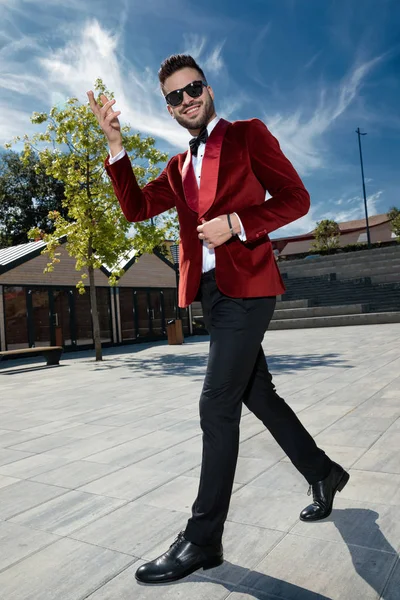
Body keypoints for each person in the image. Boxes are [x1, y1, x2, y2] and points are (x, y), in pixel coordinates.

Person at [87, 54, 350, 585]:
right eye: (176, 96)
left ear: (208, 89)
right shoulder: (178, 168)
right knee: (258, 395)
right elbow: (136, 208)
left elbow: (296, 198)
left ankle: (203, 539)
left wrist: (237, 221)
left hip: (249, 286)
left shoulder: (249, 135)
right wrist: (115, 146)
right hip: (211, 291)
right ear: (168, 106)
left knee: (215, 404)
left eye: (195, 88)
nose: (188, 100)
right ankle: (324, 473)